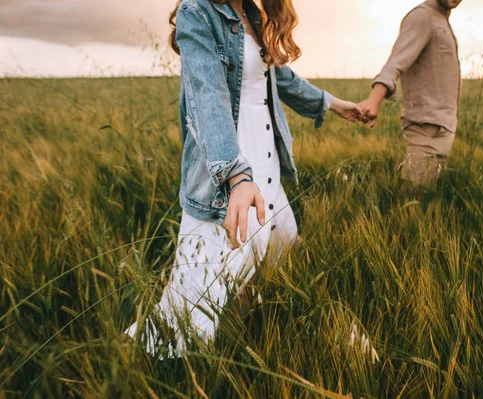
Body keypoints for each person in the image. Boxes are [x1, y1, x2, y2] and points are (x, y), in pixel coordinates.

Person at [125, 0, 363, 356]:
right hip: (227, 166)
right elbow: (208, 96)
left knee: (260, 264)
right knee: (200, 293)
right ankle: (150, 366)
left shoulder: (252, 14)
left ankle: (238, 346)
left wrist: (331, 103)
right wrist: (235, 175)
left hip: (265, 167)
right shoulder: (198, 13)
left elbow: (278, 77)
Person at [359, 0, 462, 190]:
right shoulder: (422, 16)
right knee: (413, 200)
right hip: (426, 131)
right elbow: (395, 63)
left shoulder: (441, 19)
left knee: (427, 206)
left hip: (443, 129)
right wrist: (375, 99)